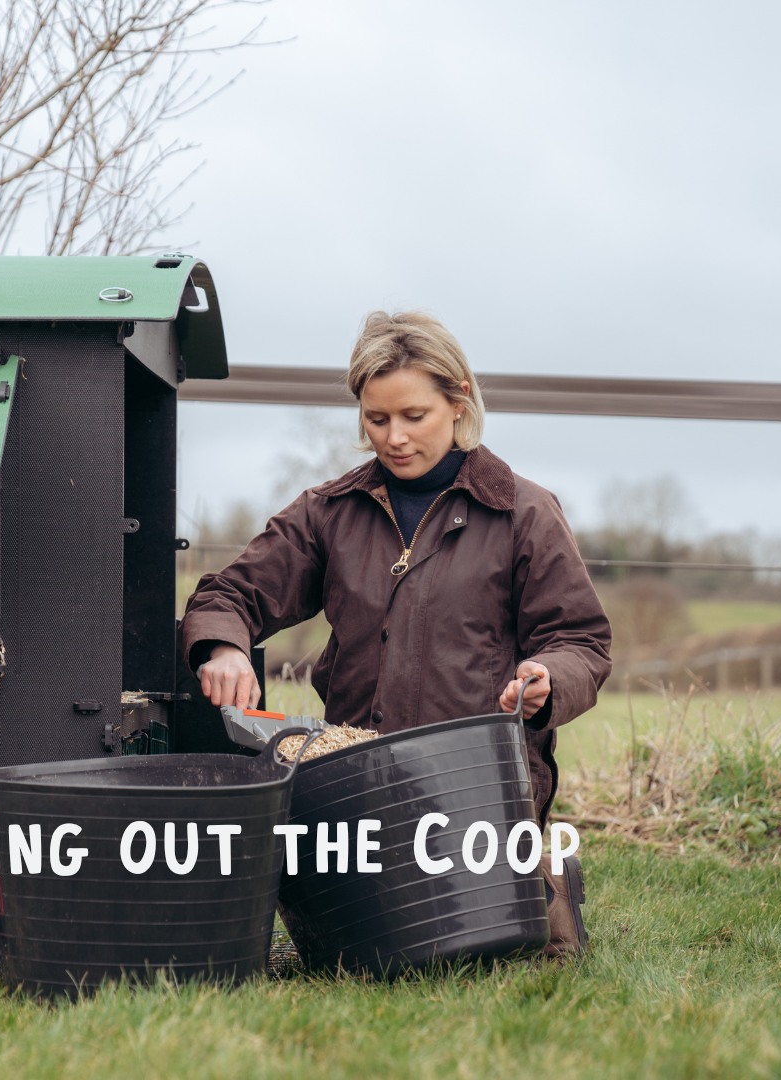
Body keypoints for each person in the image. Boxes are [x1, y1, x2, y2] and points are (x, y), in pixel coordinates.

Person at [181, 310, 613, 958]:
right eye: (377, 419)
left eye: (414, 416)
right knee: (356, 953)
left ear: (458, 399)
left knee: (468, 949)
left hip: (479, 779)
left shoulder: (525, 511)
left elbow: (581, 640)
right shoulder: (327, 513)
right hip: (357, 775)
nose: (395, 437)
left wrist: (547, 680)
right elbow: (229, 594)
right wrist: (223, 644)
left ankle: (542, 883)